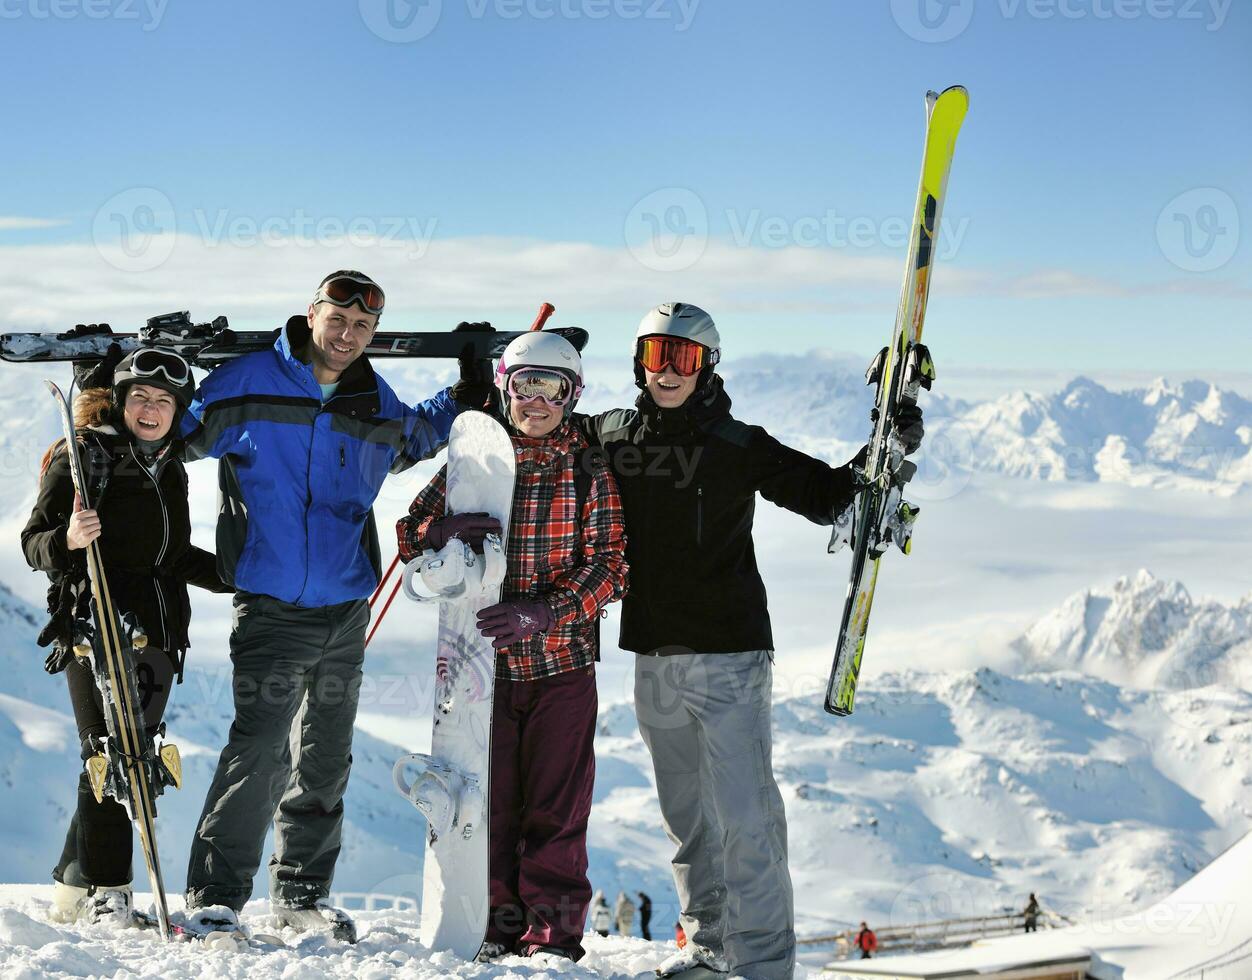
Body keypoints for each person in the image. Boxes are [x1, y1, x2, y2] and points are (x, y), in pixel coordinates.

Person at [576, 302, 925, 980]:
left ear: (706, 364)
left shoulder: (737, 444)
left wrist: (888, 449)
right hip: (654, 657)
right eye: (655, 355)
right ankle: (711, 951)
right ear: (638, 362)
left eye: (682, 357)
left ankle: (765, 967)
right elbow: (542, 425)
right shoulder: (613, 434)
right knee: (689, 822)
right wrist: (504, 380)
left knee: (745, 821)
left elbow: (829, 496)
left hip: (731, 656)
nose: (667, 371)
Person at [180, 271, 479, 941]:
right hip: (271, 605)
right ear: (310, 315)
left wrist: (466, 388)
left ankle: (300, 895)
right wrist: (128, 394)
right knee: (258, 750)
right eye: (337, 320)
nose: (347, 335)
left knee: (325, 755)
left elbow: (416, 434)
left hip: (345, 606)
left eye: (363, 327)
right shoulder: (249, 380)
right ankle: (216, 896)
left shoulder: (373, 396)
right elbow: (173, 433)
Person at [398, 331, 627, 961]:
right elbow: (410, 531)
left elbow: (611, 565)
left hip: (561, 665)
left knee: (555, 810)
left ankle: (551, 940)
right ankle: (494, 930)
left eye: (552, 388)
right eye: (525, 385)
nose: (537, 401)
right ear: (507, 387)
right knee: (489, 806)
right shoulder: (476, 461)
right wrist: (437, 529)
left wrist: (545, 612)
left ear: (572, 395)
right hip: (482, 674)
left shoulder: (587, 467)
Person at [22, 348, 228, 925]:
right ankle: (107, 890)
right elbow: (31, 542)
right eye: (140, 396)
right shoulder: (82, 457)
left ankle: (72, 881)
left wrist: (238, 579)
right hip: (93, 626)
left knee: (127, 757)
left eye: (165, 400)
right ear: (119, 399)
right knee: (110, 753)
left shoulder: (171, 468)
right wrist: (66, 538)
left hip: (158, 634)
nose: (152, 408)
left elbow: (172, 555)